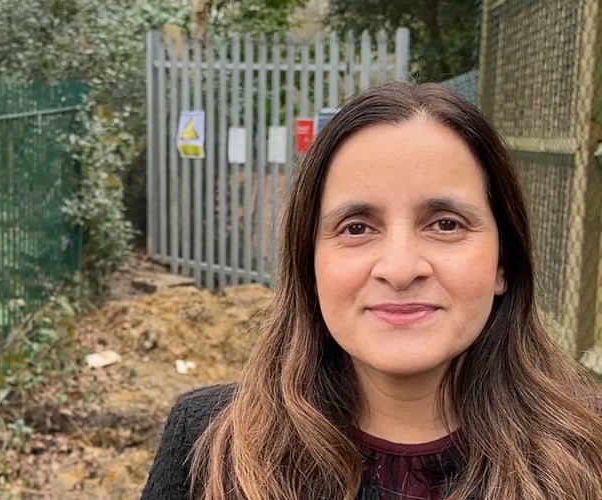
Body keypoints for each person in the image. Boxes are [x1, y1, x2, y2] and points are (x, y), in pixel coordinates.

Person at [140, 82, 602, 499]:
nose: (400, 270)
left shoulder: (590, 447)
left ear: (504, 260)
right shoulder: (206, 446)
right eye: (357, 227)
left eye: (445, 224)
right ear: (310, 264)